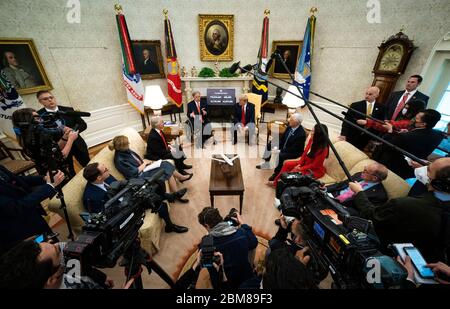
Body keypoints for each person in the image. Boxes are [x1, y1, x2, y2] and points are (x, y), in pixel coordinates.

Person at [348, 157, 450, 262]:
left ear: (438, 183)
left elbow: (370, 216)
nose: (423, 169)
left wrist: (359, 193)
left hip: (384, 259)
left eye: (428, 169)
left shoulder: (405, 204)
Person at [82, 163, 188, 233]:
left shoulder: (106, 178)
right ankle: (171, 197)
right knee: (155, 199)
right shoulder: (91, 197)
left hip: (128, 198)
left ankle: (169, 225)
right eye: (105, 169)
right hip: (123, 212)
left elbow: (121, 186)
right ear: (99, 177)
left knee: (155, 195)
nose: (108, 169)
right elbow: (105, 216)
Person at [0, 164, 65, 255]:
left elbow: (16, 180)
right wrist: (49, 186)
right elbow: (16, 207)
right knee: (40, 253)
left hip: (32, 218)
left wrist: (44, 178)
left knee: (50, 241)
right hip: (18, 231)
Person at [0, 239, 113, 289]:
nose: (62, 247)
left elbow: (77, 266)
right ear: (51, 279)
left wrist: (101, 278)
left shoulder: (54, 269)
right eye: (58, 251)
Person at [109, 135, 192, 195]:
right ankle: (177, 192)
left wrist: (145, 162)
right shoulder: (119, 159)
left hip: (144, 168)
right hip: (139, 177)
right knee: (164, 170)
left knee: (165, 163)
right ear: (121, 147)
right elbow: (133, 172)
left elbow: (136, 160)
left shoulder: (125, 150)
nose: (129, 144)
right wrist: (144, 163)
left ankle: (179, 181)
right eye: (127, 144)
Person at [374, 109, 445, 179]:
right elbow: (418, 138)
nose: (413, 119)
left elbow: (386, 146)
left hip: (395, 166)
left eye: (416, 119)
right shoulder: (439, 135)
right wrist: (409, 132)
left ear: (423, 124)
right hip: (412, 170)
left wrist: (390, 131)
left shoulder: (405, 137)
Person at [197, 207, 258, 288]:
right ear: (220, 218)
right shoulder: (242, 232)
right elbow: (254, 242)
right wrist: (242, 224)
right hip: (245, 276)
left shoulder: (207, 242)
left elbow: (207, 265)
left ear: (207, 225)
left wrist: (207, 237)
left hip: (225, 282)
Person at [12, 108, 79, 177]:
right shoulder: (37, 139)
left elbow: (55, 150)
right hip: (55, 174)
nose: (41, 121)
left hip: (58, 170)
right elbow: (60, 157)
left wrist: (65, 137)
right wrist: (71, 139)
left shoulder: (33, 136)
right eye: (36, 118)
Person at [36, 91, 90, 177]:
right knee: (69, 172)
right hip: (60, 148)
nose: (50, 100)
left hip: (78, 144)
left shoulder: (68, 110)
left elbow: (83, 124)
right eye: (45, 99)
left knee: (88, 165)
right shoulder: (39, 116)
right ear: (40, 102)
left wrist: (73, 131)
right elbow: (43, 134)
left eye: (51, 97)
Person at [270, 124, 329, 188]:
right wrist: (300, 164)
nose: (310, 133)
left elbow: (315, 165)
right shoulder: (312, 140)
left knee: (294, 172)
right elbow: (304, 153)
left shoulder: (323, 149)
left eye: (313, 131)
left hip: (313, 170)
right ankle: (275, 182)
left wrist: (301, 168)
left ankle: (283, 186)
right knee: (287, 164)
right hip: (304, 163)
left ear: (318, 134)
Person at [257, 113, 307, 181]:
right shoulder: (289, 127)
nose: (289, 120)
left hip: (294, 152)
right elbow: (283, 139)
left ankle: (276, 173)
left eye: (291, 120)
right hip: (284, 146)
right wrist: (276, 145)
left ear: (297, 122)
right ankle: (267, 163)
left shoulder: (301, 134)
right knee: (270, 145)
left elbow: (293, 149)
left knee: (280, 156)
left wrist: (280, 150)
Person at [357, 99, 426, 134]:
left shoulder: (409, 122)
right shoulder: (411, 120)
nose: (404, 110)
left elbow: (391, 125)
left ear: (412, 110)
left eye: (407, 108)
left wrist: (367, 122)